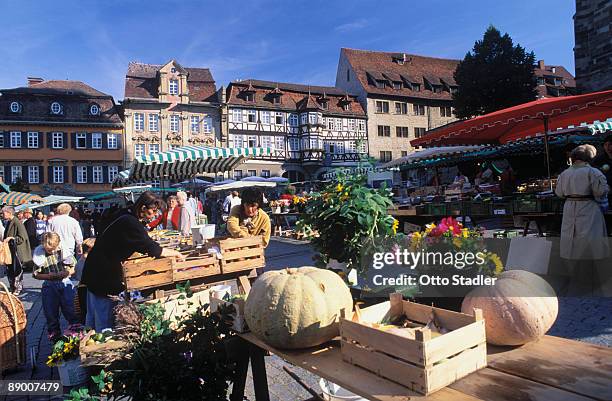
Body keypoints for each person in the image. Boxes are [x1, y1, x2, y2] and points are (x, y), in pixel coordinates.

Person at [80, 192, 185, 331]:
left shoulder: (125, 214)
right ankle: (99, 348)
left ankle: (89, 342)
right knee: (103, 322)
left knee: (92, 318)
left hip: (95, 269)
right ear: (142, 208)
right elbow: (152, 248)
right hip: (104, 275)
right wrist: (175, 253)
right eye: (153, 211)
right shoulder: (131, 222)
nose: (155, 215)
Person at [555, 145, 609, 261]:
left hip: (569, 207)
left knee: (571, 239)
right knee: (590, 240)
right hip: (588, 207)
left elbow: (559, 193)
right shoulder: (593, 172)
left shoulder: (564, 174)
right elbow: (600, 191)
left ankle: (575, 271)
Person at [32, 232, 79, 341]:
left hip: (65, 282)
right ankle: (54, 334)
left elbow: (73, 267)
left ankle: (75, 330)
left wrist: (67, 273)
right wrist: (48, 276)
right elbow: (36, 274)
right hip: (49, 285)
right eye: (49, 250)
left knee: (71, 308)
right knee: (50, 311)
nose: (52, 252)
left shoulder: (63, 252)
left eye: (53, 249)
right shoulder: (40, 255)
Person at [1, 206, 32, 295]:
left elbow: (22, 238)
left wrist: (11, 238)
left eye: (3, 213)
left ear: (9, 213)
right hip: (11, 251)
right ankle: (14, 287)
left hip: (17, 252)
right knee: (12, 270)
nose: (2, 215)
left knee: (17, 270)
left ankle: (17, 288)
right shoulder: (10, 222)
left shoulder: (17, 222)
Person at [592, 134, 612, 235]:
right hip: (604, 196)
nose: (608, 147)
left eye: (610, 144)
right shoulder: (599, 160)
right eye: (606, 145)